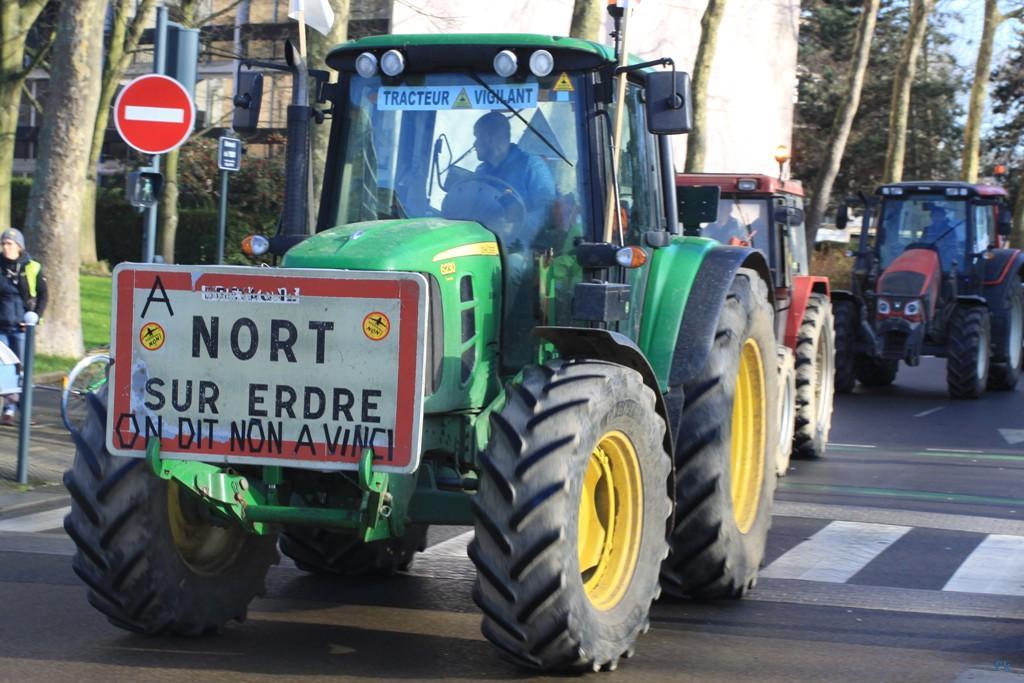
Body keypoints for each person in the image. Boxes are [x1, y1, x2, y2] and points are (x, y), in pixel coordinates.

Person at [473, 111, 556, 246]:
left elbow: (547, 211)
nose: (474, 144)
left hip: (521, 247)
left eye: (477, 137)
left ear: (490, 138)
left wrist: (514, 226)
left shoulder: (531, 165)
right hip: (481, 242)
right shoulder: (481, 172)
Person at [0, 228, 47, 426]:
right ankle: (10, 410)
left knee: (21, 371)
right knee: (3, 371)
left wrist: (35, 318)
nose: (5, 247)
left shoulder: (32, 267)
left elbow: (43, 296)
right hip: (1, 327)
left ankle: (19, 409)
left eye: (9, 244)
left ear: (19, 246)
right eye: (3, 243)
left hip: (21, 328)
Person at [921, 204, 962, 271]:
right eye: (935, 216)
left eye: (939, 215)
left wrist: (942, 245)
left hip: (945, 259)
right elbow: (921, 243)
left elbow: (954, 246)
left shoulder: (950, 230)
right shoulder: (927, 230)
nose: (937, 218)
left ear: (943, 216)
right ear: (931, 217)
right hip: (928, 257)